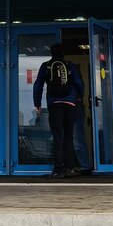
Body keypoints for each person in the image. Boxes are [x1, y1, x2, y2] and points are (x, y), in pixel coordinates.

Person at [33, 43, 84, 178]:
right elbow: (78, 82)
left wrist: (37, 103)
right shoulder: (69, 65)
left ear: (51, 52)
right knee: (68, 136)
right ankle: (69, 168)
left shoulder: (46, 66)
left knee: (57, 136)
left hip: (54, 104)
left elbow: (38, 84)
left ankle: (58, 170)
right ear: (63, 53)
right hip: (70, 104)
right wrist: (80, 96)